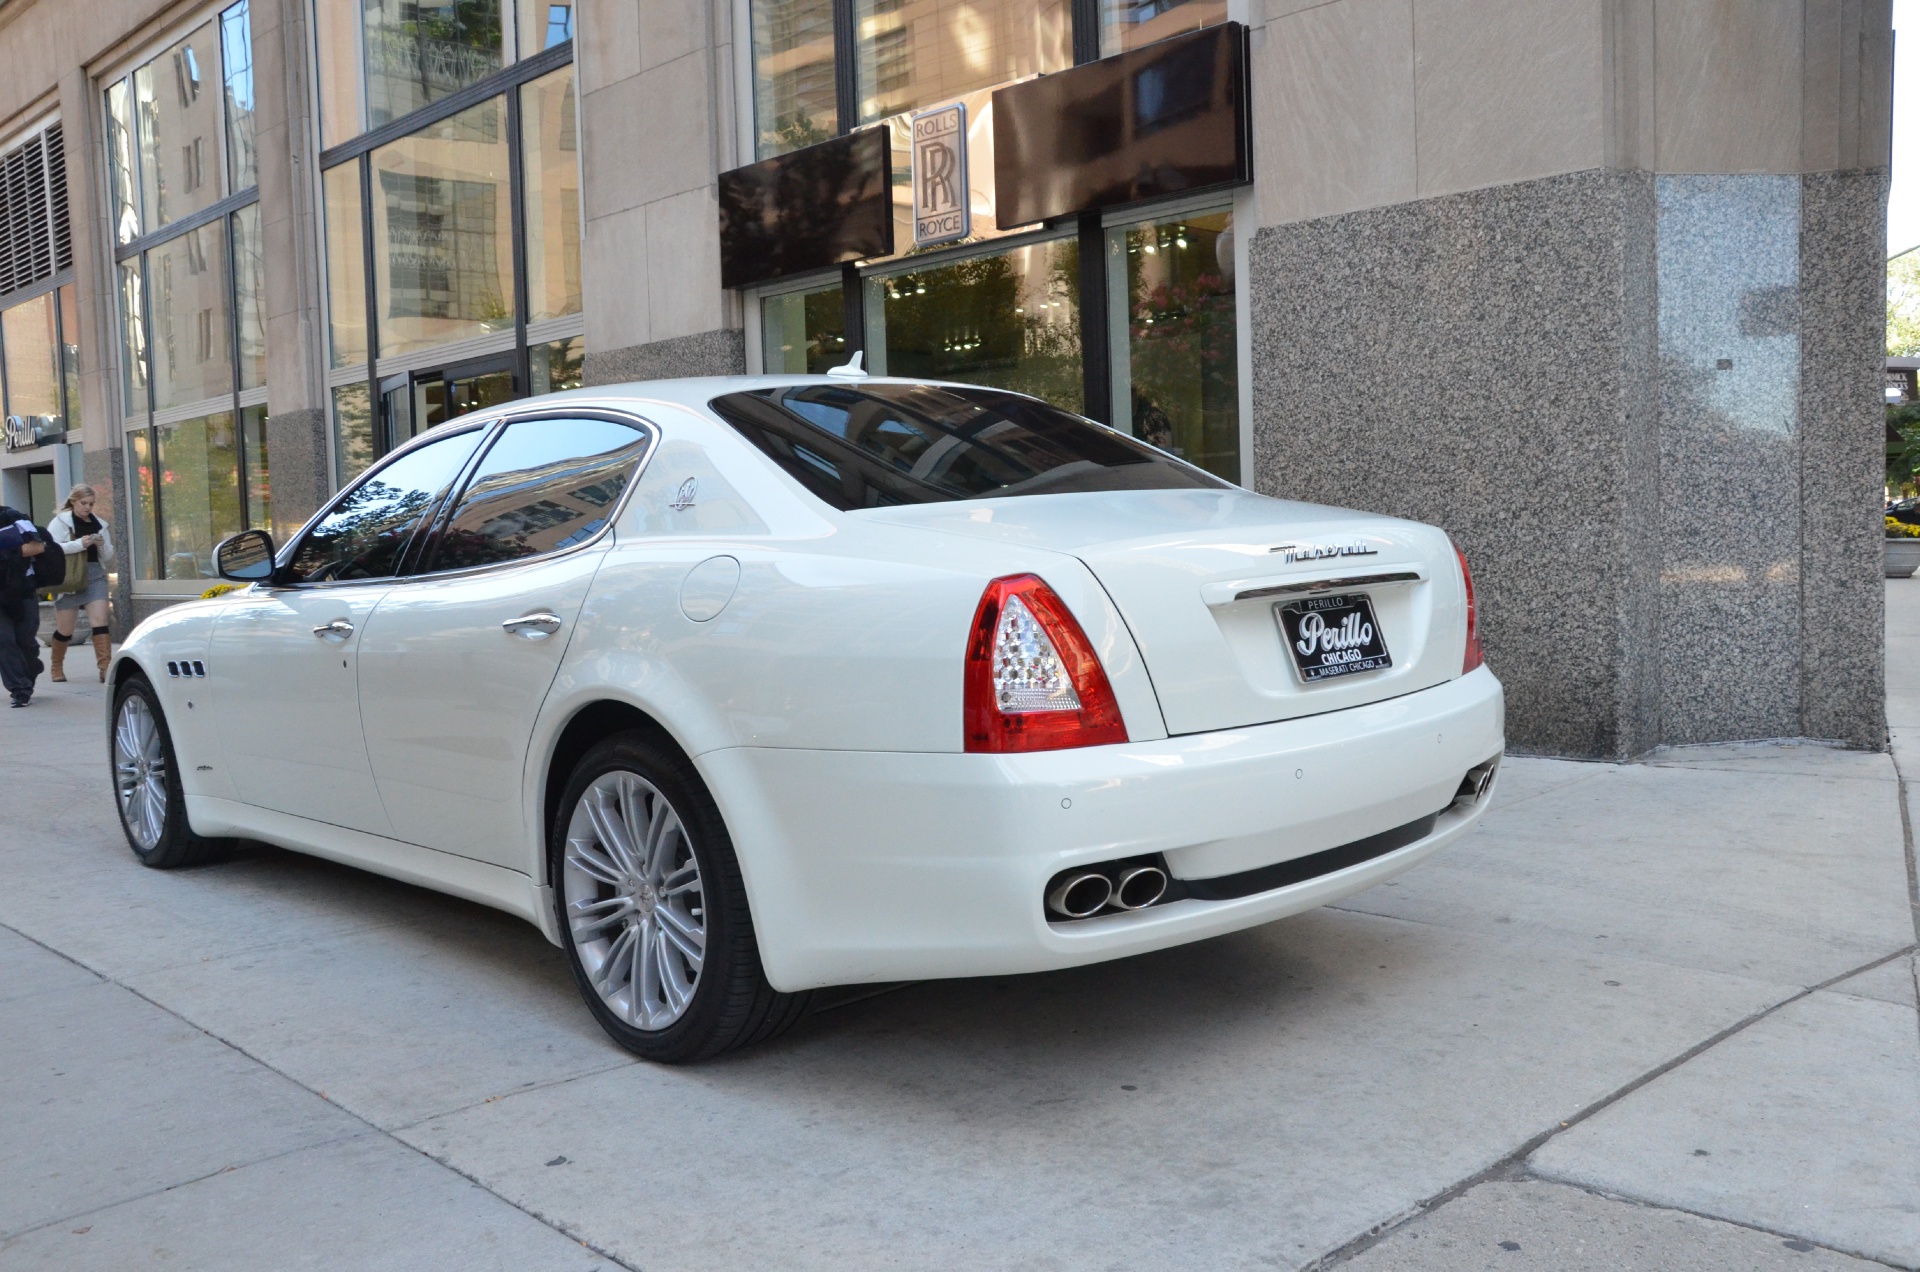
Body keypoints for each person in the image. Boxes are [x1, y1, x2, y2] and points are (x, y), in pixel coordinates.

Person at [47, 484, 115, 682]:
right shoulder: (60, 522)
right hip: (69, 576)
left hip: (94, 574)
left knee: (100, 621)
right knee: (65, 629)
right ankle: (56, 666)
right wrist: (79, 544)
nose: (87, 507)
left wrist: (101, 545)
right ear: (73, 501)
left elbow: (108, 555)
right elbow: (52, 549)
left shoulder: (100, 524)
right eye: (83, 503)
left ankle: (105, 668)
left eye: (91, 504)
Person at [0, 503, 51, 707]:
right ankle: (19, 689)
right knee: (4, 641)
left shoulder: (12, 517)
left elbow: (38, 546)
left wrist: (5, 553)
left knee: (25, 641)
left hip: (23, 589)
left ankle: (31, 669)